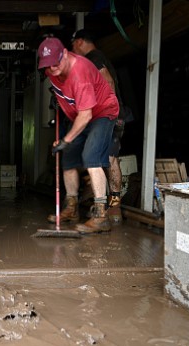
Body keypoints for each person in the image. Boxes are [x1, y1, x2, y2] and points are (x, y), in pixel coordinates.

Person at [38, 37, 120, 234]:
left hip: (101, 113)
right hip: (80, 115)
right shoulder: (52, 71)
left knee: (91, 157)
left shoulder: (80, 71)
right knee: (69, 160)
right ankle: (71, 208)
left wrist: (66, 140)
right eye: (48, 66)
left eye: (56, 63)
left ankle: (101, 216)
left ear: (65, 54)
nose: (53, 69)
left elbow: (86, 115)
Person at [71, 30, 128, 225]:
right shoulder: (96, 58)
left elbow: (108, 81)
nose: (73, 50)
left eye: (73, 46)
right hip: (112, 115)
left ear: (79, 42)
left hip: (110, 115)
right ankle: (111, 207)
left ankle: (112, 208)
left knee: (109, 159)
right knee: (105, 158)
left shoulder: (93, 57)